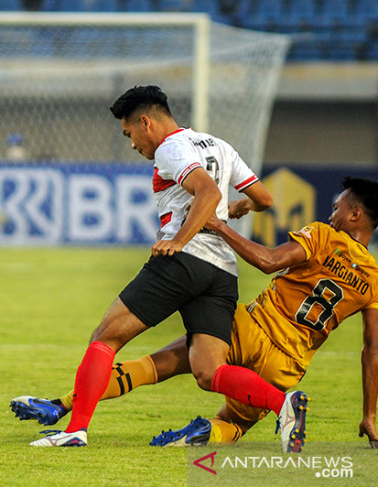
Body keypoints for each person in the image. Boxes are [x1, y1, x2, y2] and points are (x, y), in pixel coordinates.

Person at [12, 176, 378, 450]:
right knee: (235, 423)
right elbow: (372, 352)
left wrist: (217, 226)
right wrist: (369, 417)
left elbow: (269, 261)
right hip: (287, 366)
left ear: (356, 214)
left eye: (337, 208)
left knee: (157, 364)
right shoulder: (375, 283)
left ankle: (63, 403)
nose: (332, 215)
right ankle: (202, 433)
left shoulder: (325, 237)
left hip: (248, 329)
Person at [27, 85, 310, 453]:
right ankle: (283, 405)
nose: (133, 145)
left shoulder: (170, 148)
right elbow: (265, 199)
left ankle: (75, 429)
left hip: (183, 262)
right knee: (209, 371)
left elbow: (207, 192)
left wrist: (179, 240)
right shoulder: (218, 145)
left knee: (106, 337)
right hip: (221, 271)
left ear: (146, 122)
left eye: (130, 134)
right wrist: (241, 207)